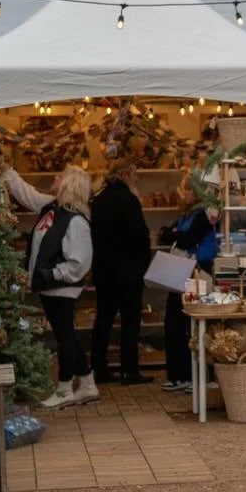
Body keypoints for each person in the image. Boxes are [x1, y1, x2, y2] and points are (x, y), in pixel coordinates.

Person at [3, 165, 97, 409]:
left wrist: (53, 273)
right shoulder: (52, 209)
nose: (55, 177)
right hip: (49, 285)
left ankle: (65, 387)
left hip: (61, 287)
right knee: (68, 335)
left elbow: (79, 262)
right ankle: (87, 383)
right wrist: (8, 171)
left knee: (64, 336)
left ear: (69, 185)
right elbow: (28, 194)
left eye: (60, 176)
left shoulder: (75, 221)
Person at [89, 161, 152, 385]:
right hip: (128, 272)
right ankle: (130, 370)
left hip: (104, 272)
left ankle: (98, 368)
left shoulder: (99, 199)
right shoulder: (129, 200)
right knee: (130, 322)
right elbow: (140, 236)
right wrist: (144, 263)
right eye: (135, 175)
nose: (137, 180)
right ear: (125, 174)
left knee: (103, 320)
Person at [159, 182, 219, 392]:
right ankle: (179, 374)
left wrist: (172, 234)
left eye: (189, 189)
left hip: (196, 274)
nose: (185, 194)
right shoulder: (187, 216)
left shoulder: (204, 215)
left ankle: (197, 376)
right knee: (175, 323)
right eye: (183, 189)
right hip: (183, 273)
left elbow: (187, 239)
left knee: (191, 326)